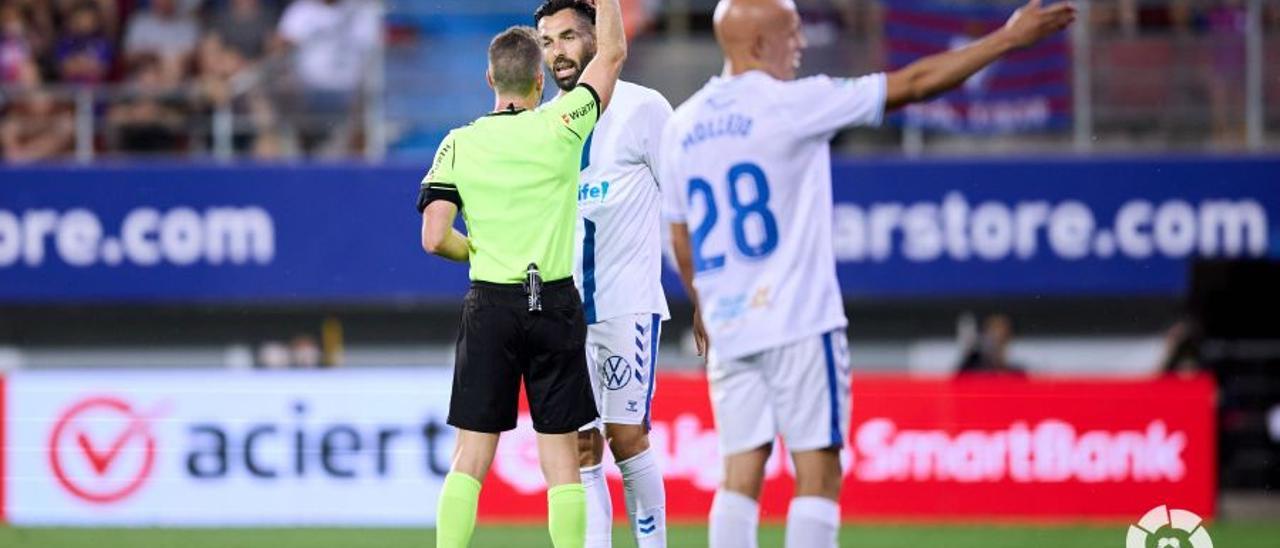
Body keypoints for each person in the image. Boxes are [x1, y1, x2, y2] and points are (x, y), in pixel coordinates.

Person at [659, 1, 1075, 546]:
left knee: (741, 469)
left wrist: (705, 303)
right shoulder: (793, 104)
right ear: (758, 44)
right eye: (792, 34)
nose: (802, 46)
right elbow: (916, 83)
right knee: (819, 469)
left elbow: (681, 235)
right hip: (798, 322)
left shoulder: (682, 125)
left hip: (732, 325)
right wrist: (1007, 39)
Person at [416, 0, 628, 545]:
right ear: (540, 79)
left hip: (491, 302)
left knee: (470, 457)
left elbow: (434, 236)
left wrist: (478, 251)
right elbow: (613, 54)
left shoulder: (459, 143)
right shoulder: (562, 124)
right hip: (552, 302)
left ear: (490, 78)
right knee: (562, 460)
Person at [534, 1, 674, 545]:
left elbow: (684, 201)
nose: (558, 52)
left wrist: (707, 294)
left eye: (569, 37)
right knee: (581, 446)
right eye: (547, 42)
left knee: (627, 437)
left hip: (626, 303)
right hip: (566, 315)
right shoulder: (547, 122)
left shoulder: (645, 108)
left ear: (597, 38)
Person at [957, 313, 1026, 375]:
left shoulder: (1017, 373)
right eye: (992, 338)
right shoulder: (971, 370)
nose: (996, 342)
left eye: (1001, 338)